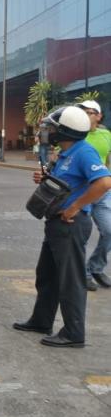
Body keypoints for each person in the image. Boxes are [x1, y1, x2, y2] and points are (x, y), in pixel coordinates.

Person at [14, 105, 111, 348]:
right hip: (56, 223)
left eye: (52, 128)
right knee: (46, 275)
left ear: (65, 131)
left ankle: (73, 333)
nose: (47, 131)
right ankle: (41, 320)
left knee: (71, 280)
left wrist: (75, 207)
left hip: (71, 224)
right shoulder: (66, 153)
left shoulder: (83, 152)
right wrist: (44, 177)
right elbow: (66, 182)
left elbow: (104, 182)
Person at [80, 100, 111, 290]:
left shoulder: (106, 134)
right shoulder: (75, 135)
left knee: (109, 231)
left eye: (89, 112)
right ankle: (83, 275)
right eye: (82, 112)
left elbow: (108, 160)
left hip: (102, 192)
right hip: (81, 192)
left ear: (98, 116)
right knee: (80, 236)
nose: (84, 115)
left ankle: (95, 267)